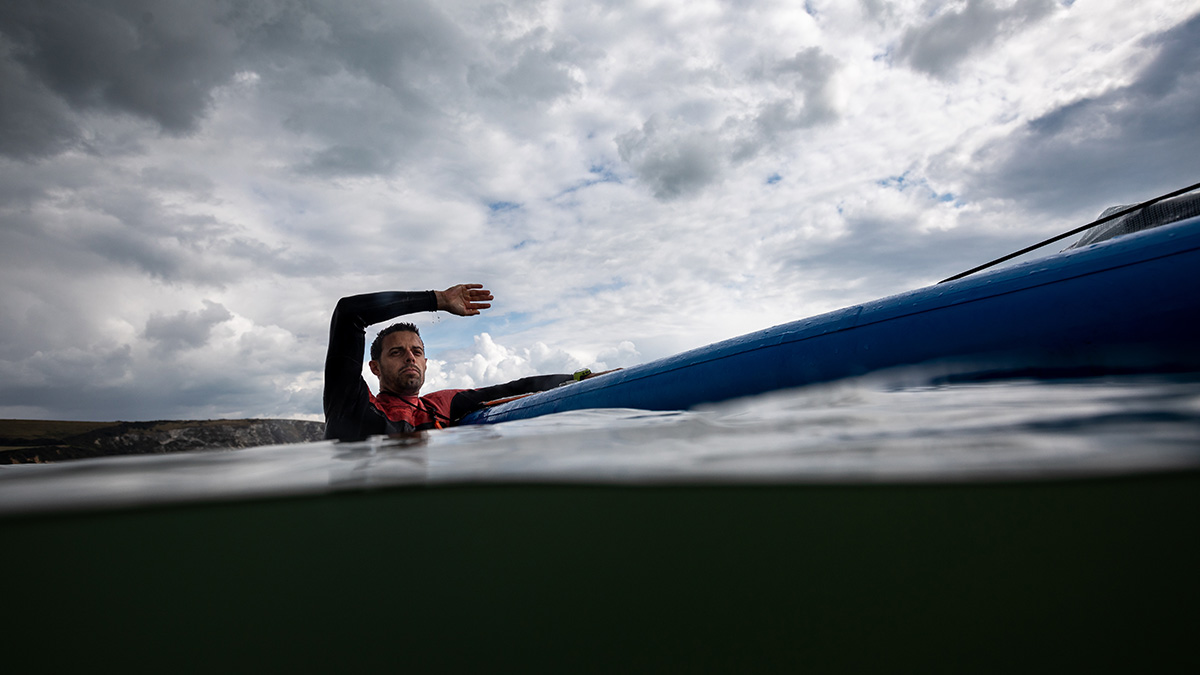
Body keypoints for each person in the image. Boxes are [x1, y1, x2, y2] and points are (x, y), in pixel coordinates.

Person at [323, 284, 581, 441]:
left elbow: (516, 388)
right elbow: (348, 313)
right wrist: (438, 299)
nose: (410, 357)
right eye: (396, 352)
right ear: (375, 367)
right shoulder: (351, 405)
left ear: (426, 363)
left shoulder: (439, 405)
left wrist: (584, 377)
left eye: (417, 352)